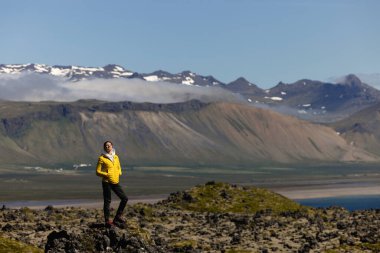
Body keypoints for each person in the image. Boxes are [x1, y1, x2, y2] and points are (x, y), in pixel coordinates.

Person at [96, 141, 128, 227]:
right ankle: (107, 221)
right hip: (106, 182)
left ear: (112, 146)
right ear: (104, 148)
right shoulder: (102, 158)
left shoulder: (116, 157)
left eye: (109, 145)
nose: (107, 147)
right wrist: (107, 174)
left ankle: (117, 217)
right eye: (106, 146)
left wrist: (119, 172)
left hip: (115, 181)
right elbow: (97, 171)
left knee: (124, 199)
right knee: (107, 201)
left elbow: (118, 167)